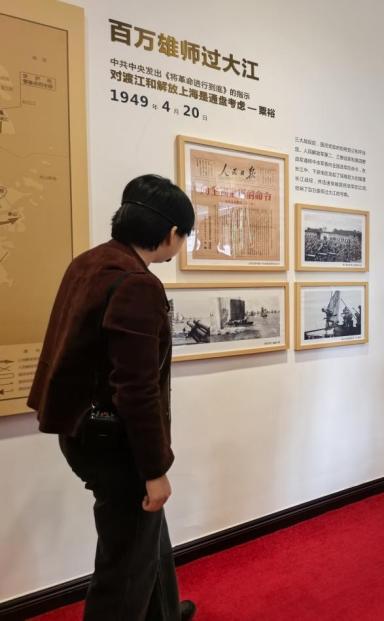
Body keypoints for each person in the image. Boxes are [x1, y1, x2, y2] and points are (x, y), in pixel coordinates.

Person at [27, 175, 197, 620]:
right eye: (184, 235)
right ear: (171, 233)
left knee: (146, 535)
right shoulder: (137, 284)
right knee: (124, 567)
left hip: (81, 429)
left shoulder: (90, 263)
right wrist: (155, 471)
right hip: (116, 444)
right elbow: (137, 389)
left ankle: (163, 612)